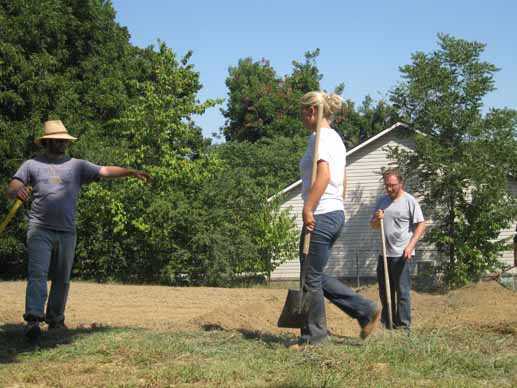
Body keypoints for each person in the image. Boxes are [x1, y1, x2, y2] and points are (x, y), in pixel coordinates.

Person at [6, 120, 150, 339]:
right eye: (59, 140)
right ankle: (33, 320)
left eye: (66, 140)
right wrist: (18, 191)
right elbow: (12, 187)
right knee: (38, 274)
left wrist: (130, 171)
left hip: (67, 231)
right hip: (39, 229)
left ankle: (55, 321)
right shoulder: (31, 165)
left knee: (62, 277)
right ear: (47, 142)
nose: (64, 144)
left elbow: (105, 171)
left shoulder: (77, 165)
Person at [298, 91, 381, 345]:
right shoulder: (337, 139)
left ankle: (316, 338)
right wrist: (334, 202)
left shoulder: (319, 138)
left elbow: (323, 176)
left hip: (321, 213)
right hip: (334, 212)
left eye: (303, 112)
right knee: (312, 274)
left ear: (312, 111)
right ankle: (364, 310)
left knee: (309, 278)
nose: (301, 118)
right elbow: (342, 180)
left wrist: (309, 208)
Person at [370, 169, 425, 330]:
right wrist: (376, 218)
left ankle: (403, 327)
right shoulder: (381, 201)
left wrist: (410, 246)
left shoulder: (409, 201)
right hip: (384, 255)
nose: (389, 189)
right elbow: (373, 226)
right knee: (385, 292)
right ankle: (388, 325)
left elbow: (421, 225)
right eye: (387, 185)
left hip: (402, 254)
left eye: (392, 185)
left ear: (401, 184)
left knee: (402, 294)